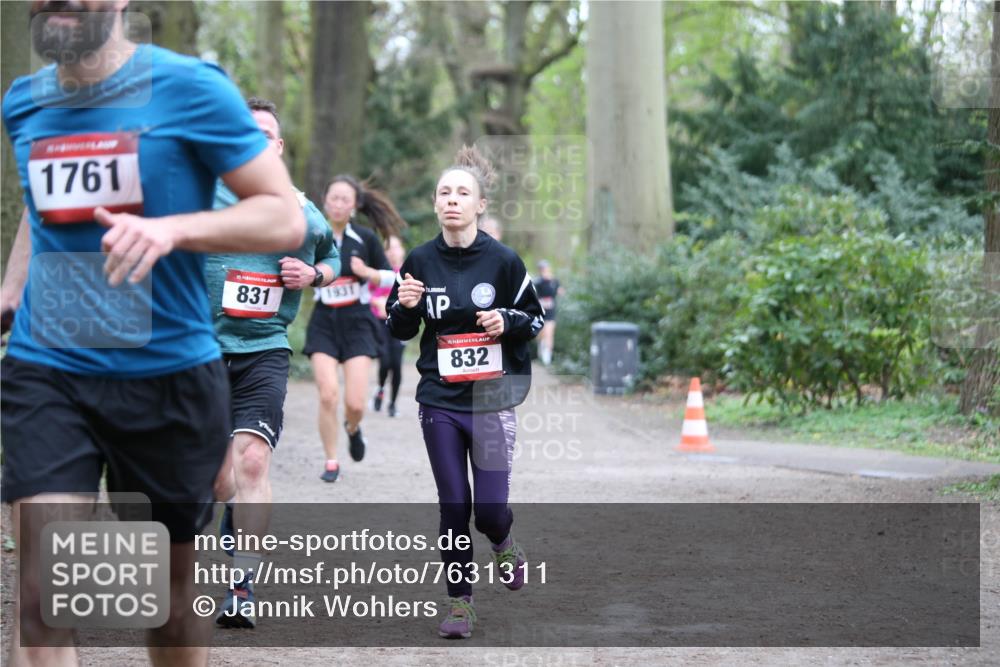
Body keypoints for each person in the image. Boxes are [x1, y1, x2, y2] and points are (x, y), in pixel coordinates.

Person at [0, 2, 305, 665]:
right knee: (41, 593)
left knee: (167, 602)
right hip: (48, 365)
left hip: (167, 373)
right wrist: (12, 290)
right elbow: (38, 202)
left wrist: (174, 230)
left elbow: (282, 216)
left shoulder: (192, 88)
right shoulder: (22, 103)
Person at [387, 146, 544, 639]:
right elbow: (397, 328)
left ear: (479, 205)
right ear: (436, 206)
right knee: (454, 505)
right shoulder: (418, 260)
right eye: (444, 193)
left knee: (489, 510)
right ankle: (460, 605)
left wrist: (506, 320)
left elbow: (535, 318)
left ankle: (503, 541)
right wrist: (408, 307)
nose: (452, 200)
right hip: (439, 399)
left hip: (493, 398)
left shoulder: (503, 262)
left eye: (462, 193)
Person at [205, 97, 340, 629]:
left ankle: (242, 585)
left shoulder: (301, 209)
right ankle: (225, 516)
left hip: (264, 348)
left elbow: (328, 255)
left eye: (267, 134)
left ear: (278, 147)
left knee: (253, 464)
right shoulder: (203, 193)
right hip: (202, 352)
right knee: (217, 483)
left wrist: (316, 277)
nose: (258, 140)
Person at [303, 175, 405, 482]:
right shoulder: (312, 237)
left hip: (358, 322)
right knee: (328, 395)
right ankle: (331, 460)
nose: (337, 204)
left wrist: (369, 273)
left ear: (354, 206)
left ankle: (353, 427)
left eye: (344, 199)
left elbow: (393, 279)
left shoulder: (366, 239)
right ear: (324, 202)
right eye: (333, 198)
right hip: (323, 321)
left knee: (355, 403)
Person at [369, 234, 407, 417]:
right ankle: (380, 390)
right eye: (388, 248)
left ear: (402, 250)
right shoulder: (378, 273)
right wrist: (377, 302)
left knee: (397, 365)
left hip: (400, 324)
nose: (392, 252)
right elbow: (367, 296)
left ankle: (392, 403)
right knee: (385, 362)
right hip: (380, 324)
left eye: (396, 247)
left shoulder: (407, 273)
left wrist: (393, 305)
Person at [533, 259, 563, 366]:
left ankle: (548, 357)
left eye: (545, 268)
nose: (543, 270)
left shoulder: (555, 281)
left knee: (549, 333)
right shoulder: (537, 282)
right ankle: (541, 351)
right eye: (541, 268)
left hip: (551, 312)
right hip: (540, 312)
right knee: (541, 334)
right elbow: (534, 296)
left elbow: (559, 292)